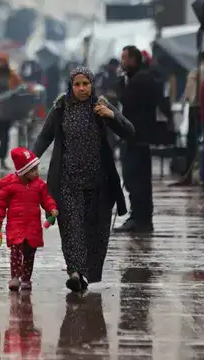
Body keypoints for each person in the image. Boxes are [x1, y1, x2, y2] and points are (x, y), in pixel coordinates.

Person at [33, 67, 134, 292]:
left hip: (98, 184)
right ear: (71, 86)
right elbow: (44, 136)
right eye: (77, 84)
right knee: (71, 228)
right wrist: (29, 162)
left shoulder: (101, 106)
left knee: (94, 232)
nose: (81, 88)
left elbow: (129, 131)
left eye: (85, 84)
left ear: (91, 85)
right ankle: (74, 272)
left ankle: (85, 274)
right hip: (67, 182)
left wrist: (113, 116)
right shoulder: (61, 107)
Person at [116, 45, 170, 233]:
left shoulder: (140, 80)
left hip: (137, 137)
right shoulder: (142, 77)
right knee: (138, 179)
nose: (122, 61)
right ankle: (141, 217)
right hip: (139, 137)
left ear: (133, 60)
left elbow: (126, 100)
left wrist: (120, 83)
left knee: (134, 178)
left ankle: (139, 218)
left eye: (124, 58)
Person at [0, 147, 58, 291]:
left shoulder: (39, 186)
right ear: (23, 171)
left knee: (29, 253)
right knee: (16, 252)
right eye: (33, 170)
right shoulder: (10, 186)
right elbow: (0, 204)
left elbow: (46, 199)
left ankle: (26, 279)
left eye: (37, 169)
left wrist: (51, 208)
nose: (37, 173)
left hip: (32, 226)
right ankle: (15, 277)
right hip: (16, 226)